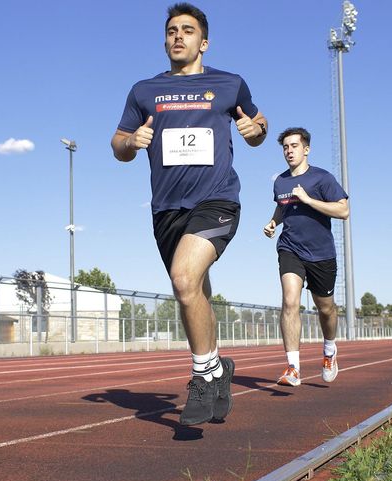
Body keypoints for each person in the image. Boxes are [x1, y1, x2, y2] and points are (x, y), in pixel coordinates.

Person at [111, 3, 268, 425]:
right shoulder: (144, 90)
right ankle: (220, 369)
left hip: (217, 199)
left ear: (204, 41)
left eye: (187, 30)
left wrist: (257, 131)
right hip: (165, 209)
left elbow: (258, 123)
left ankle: (202, 375)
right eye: (171, 31)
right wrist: (132, 141)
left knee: (183, 278)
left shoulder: (229, 83)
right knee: (193, 292)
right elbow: (118, 145)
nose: (178, 36)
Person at [263, 127, 349, 386]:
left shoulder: (323, 179)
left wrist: (309, 200)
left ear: (306, 149)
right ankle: (293, 367)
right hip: (290, 248)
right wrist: (273, 222)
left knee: (326, 309)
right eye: (285, 147)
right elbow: (282, 205)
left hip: (321, 253)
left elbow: (343, 210)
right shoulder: (281, 181)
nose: (289, 151)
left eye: (294, 146)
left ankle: (330, 351)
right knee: (290, 301)